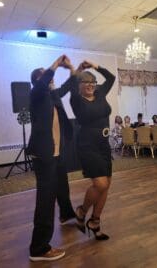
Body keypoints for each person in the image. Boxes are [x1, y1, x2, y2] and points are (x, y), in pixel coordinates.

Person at [27, 55, 75, 262]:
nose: (51, 82)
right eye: (47, 79)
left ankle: (66, 214)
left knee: (59, 190)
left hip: (56, 154)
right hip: (44, 156)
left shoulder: (52, 97)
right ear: (39, 81)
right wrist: (56, 64)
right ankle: (39, 248)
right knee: (45, 201)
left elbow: (66, 86)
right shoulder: (36, 96)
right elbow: (44, 81)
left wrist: (73, 68)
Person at [68, 58, 115, 240]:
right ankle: (81, 210)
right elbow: (71, 85)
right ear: (79, 85)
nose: (89, 85)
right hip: (87, 145)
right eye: (85, 82)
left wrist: (95, 65)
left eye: (92, 82)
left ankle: (95, 221)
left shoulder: (100, 92)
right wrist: (77, 70)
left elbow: (110, 78)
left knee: (106, 186)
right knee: (100, 184)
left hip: (104, 144)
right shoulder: (76, 100)